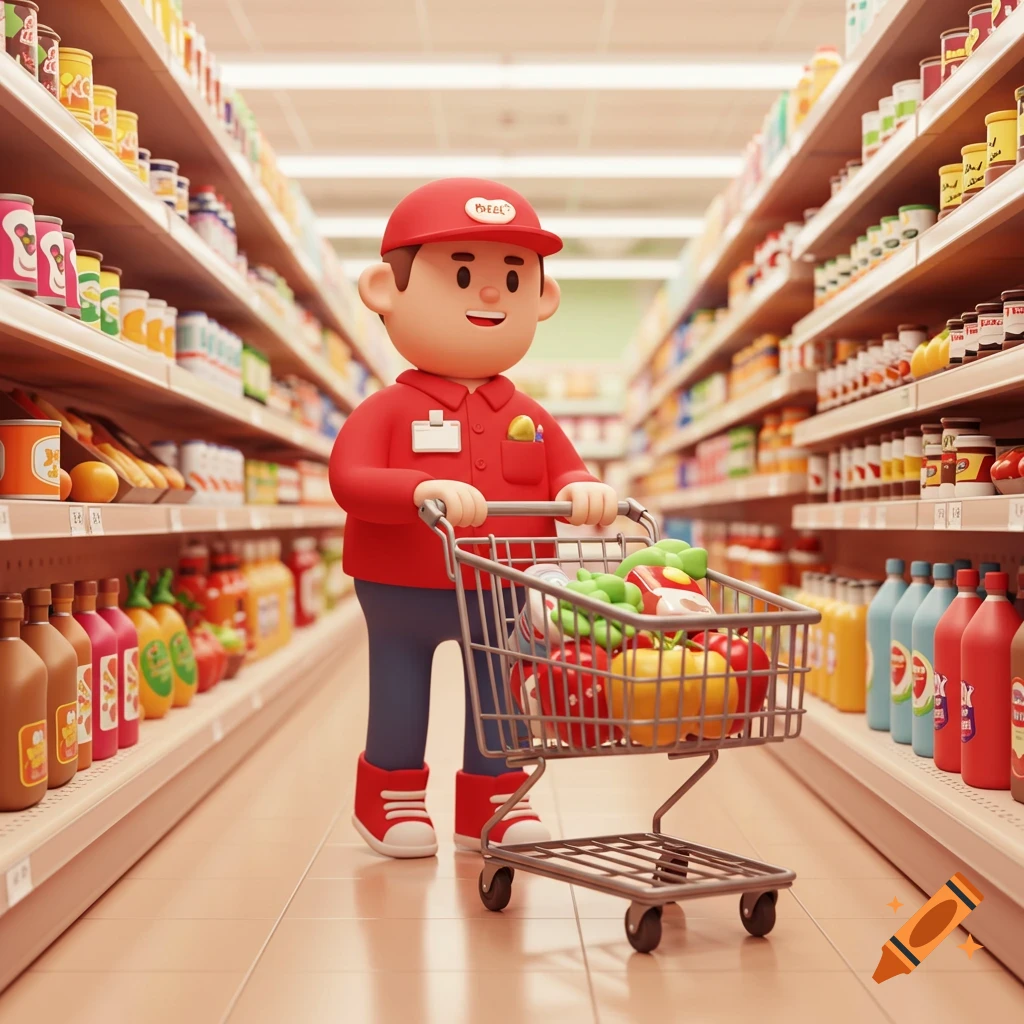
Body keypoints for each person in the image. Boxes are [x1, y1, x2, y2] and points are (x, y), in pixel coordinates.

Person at [330, 178, 618, 858]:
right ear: (383, 290)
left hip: (503, 587)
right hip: (401, 584)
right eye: (462, 274)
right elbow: (350, 477)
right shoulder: (386, 411)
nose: (490, 294)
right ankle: (389, 800)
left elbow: (566, 468)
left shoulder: (527, 416)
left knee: (502, 697)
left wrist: (584, 489)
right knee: (400, 689)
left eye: (512, 279)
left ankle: (496, 799)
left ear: (541, 300)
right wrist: (416, 488)